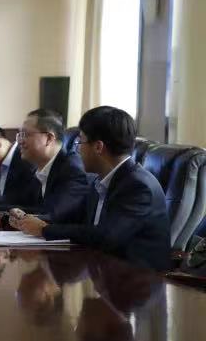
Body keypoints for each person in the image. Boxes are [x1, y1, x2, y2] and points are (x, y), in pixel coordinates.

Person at [12, 106, 171, 271]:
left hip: (137, 279)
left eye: (80, 142)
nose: (77, 149)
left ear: (98, 147)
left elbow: (107, 236)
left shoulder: (137, 186)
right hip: (103, 272)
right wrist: (29, 220)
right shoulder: (100, 181)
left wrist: (45, 229)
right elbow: (72, 219)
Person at [0, 110, 91, 222]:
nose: (20, 141)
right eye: (20, 135)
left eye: (25, 135)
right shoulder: (43, 167)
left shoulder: (71, 168)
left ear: (49, 138)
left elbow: (51, 215)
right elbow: (22, 204)